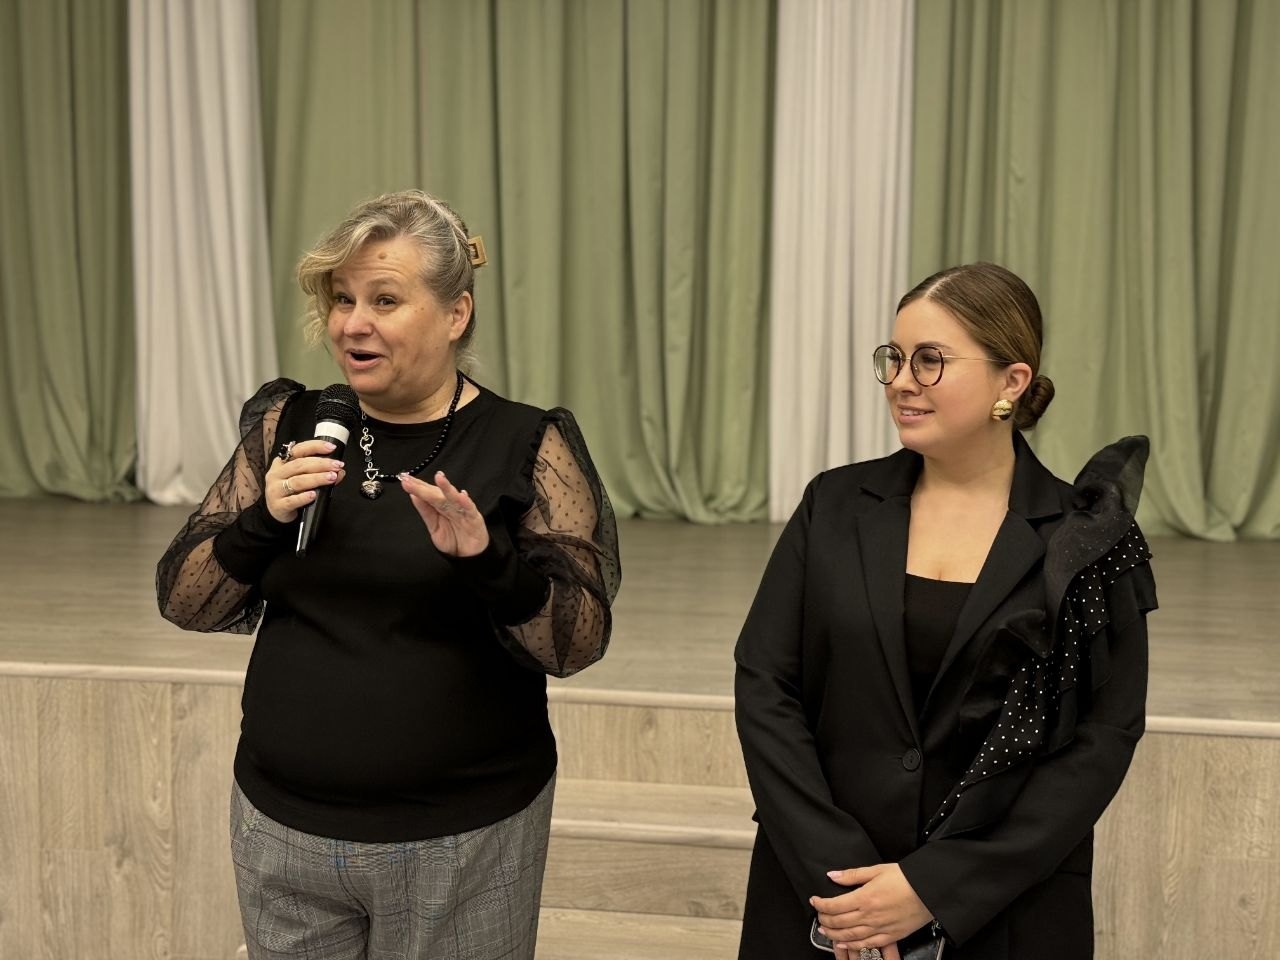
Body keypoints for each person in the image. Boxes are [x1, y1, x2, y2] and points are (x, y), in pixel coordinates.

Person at [157, 189, 620, 960]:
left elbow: (576, 642)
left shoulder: (522, 443)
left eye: (384, 299)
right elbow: (185, 599)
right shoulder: (292, 425)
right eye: (342, 299)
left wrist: (489, 561)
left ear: (456, 313)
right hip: (282, 830)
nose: (352, 324)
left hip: (461, 841)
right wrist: (263, 518)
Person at [734, 262, 1155, 960]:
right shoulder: (833, 504)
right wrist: (844, 881)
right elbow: (765, 684)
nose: (902, 380)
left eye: (930, 360)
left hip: (1001, 911)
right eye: (895, 359)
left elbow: (1104, 736)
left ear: (1011, 382)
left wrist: (933, 888)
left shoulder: (1084, 541)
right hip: (824, 904)